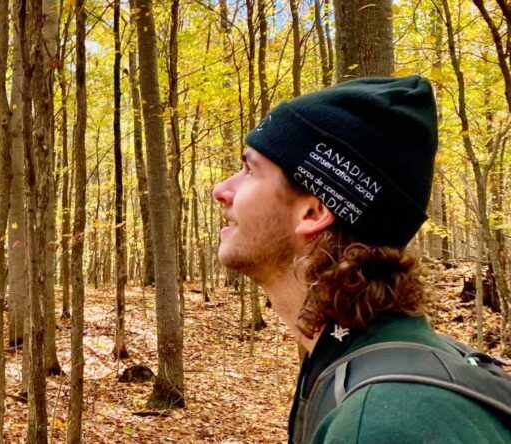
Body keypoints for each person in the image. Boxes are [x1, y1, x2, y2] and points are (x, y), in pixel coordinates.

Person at [212, 75, 511, 443]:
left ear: (313, 212)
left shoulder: (383, 421)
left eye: (250, 170)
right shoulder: (365, 368)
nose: (221, 190)